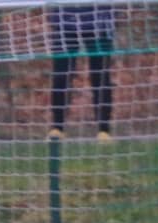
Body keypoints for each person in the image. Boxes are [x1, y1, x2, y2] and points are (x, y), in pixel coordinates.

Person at [47, 6, 115, 141]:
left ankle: (104, 130)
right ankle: (57, 128)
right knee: (61, 75)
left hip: (99, 19)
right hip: (64, 19)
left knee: (100, 75)